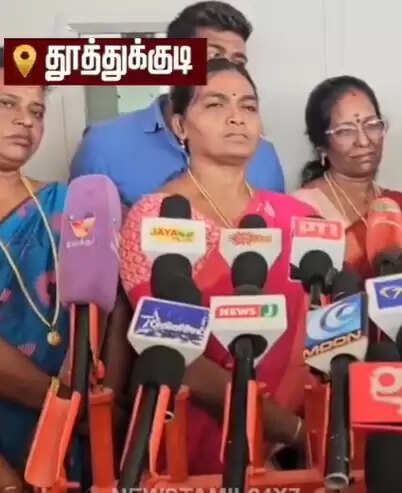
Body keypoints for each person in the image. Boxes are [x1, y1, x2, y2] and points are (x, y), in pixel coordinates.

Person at [119, 58, 313, 475]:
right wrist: (294, 429)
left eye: (248, 106)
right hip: (186, 448)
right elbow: (173, 350)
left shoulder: (297, 217)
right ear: (179, 126)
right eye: (215, 104)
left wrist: (310, 434)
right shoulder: (156, 217)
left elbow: (319, 333)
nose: (236, 117)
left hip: (291, 458)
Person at [0, 47, 132, 490]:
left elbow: (115, 306)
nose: (25, 120)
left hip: (78, 427)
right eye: (7, 104)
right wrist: (63, 406)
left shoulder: (73, 202)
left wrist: (101, 409)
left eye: (36, 111)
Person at [70, 1, 285, 206]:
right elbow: (82, 227)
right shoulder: (104, 145)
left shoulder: (263, 156)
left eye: (238, 62)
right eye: (213, 56)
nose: (227, 71)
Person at [292, 76, 402, 276]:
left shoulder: (400, 205)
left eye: (372, 125)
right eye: (345, 131)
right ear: (321, 145)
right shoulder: (301, 207)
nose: (364, 141)